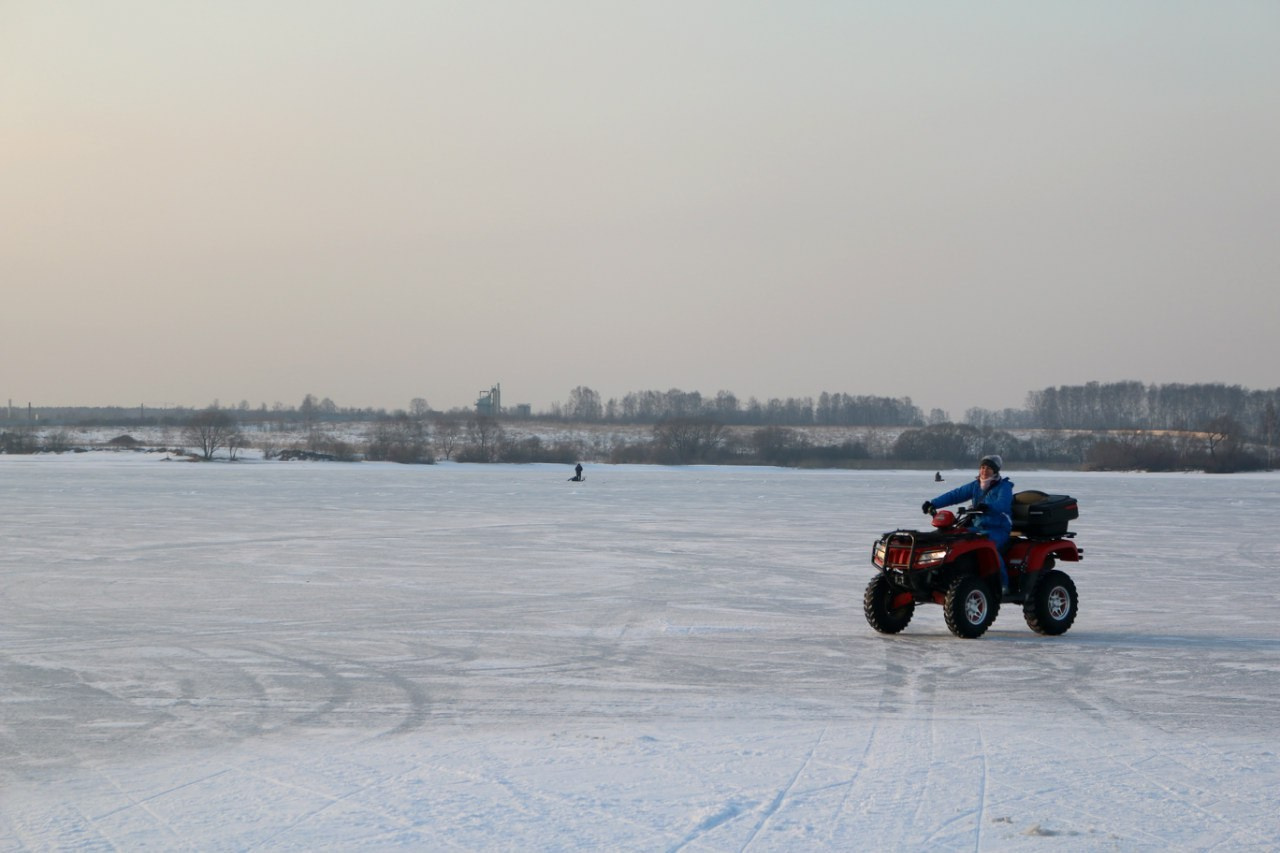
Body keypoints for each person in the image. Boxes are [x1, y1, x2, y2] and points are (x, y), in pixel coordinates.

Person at [922, 455, 1013, 591]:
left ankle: (1002, 583)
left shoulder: (1003, 487)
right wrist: (933, 503)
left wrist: (988, 507)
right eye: (982, 467)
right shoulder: (976, 485)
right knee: (954, 539)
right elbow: (956, 494)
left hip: (998, 528)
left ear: (995, 471)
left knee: (989, 545)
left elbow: (1003, 504)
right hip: (977, 528)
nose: (984, 470)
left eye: (988, 468)